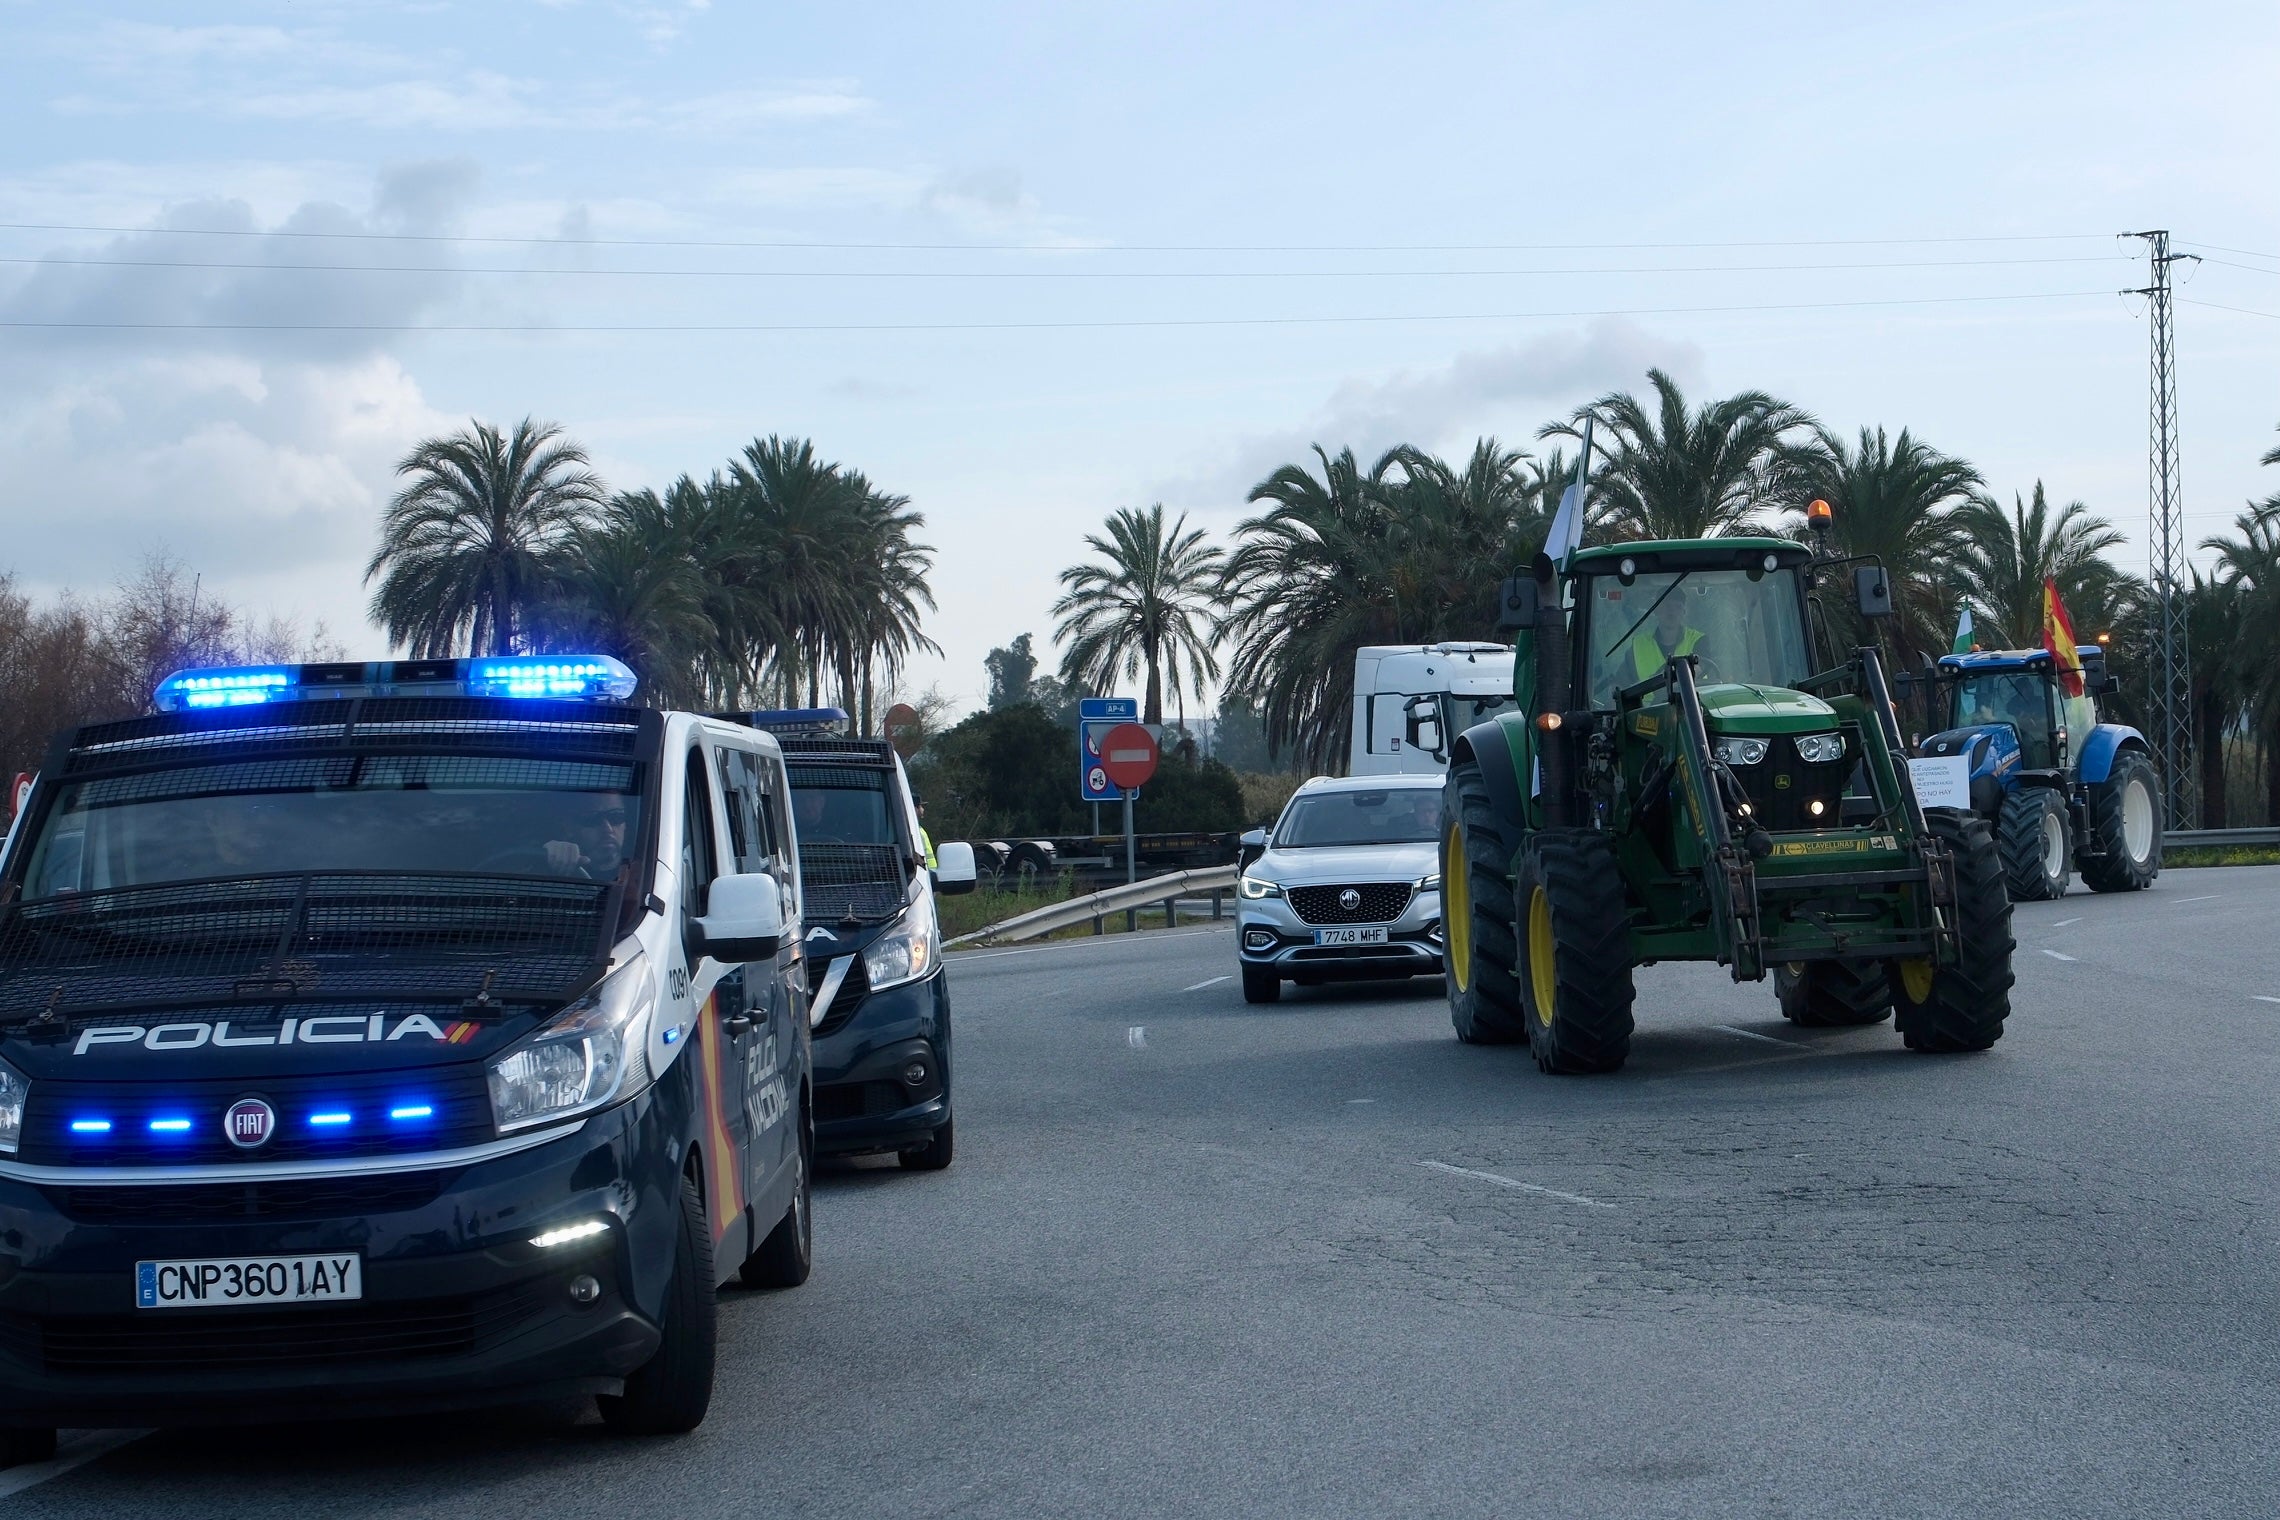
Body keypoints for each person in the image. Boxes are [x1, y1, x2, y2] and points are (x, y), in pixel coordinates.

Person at [1627, 587, 1706, 683]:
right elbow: (1621, 681)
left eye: (1678, 607)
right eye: (1667, 606)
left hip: (1692, 698)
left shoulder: (1699, 641)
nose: (1672, 612)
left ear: (1683, 612)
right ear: (1656, 611)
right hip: (1649, 698)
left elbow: (1702, 667)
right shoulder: (1638, 645)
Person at [545, 793, 629, 878]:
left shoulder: (641, 868)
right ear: (568, 827)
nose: (608, 829)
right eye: (591, 818)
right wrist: (545, 856)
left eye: (616, 816)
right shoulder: (556, 870)